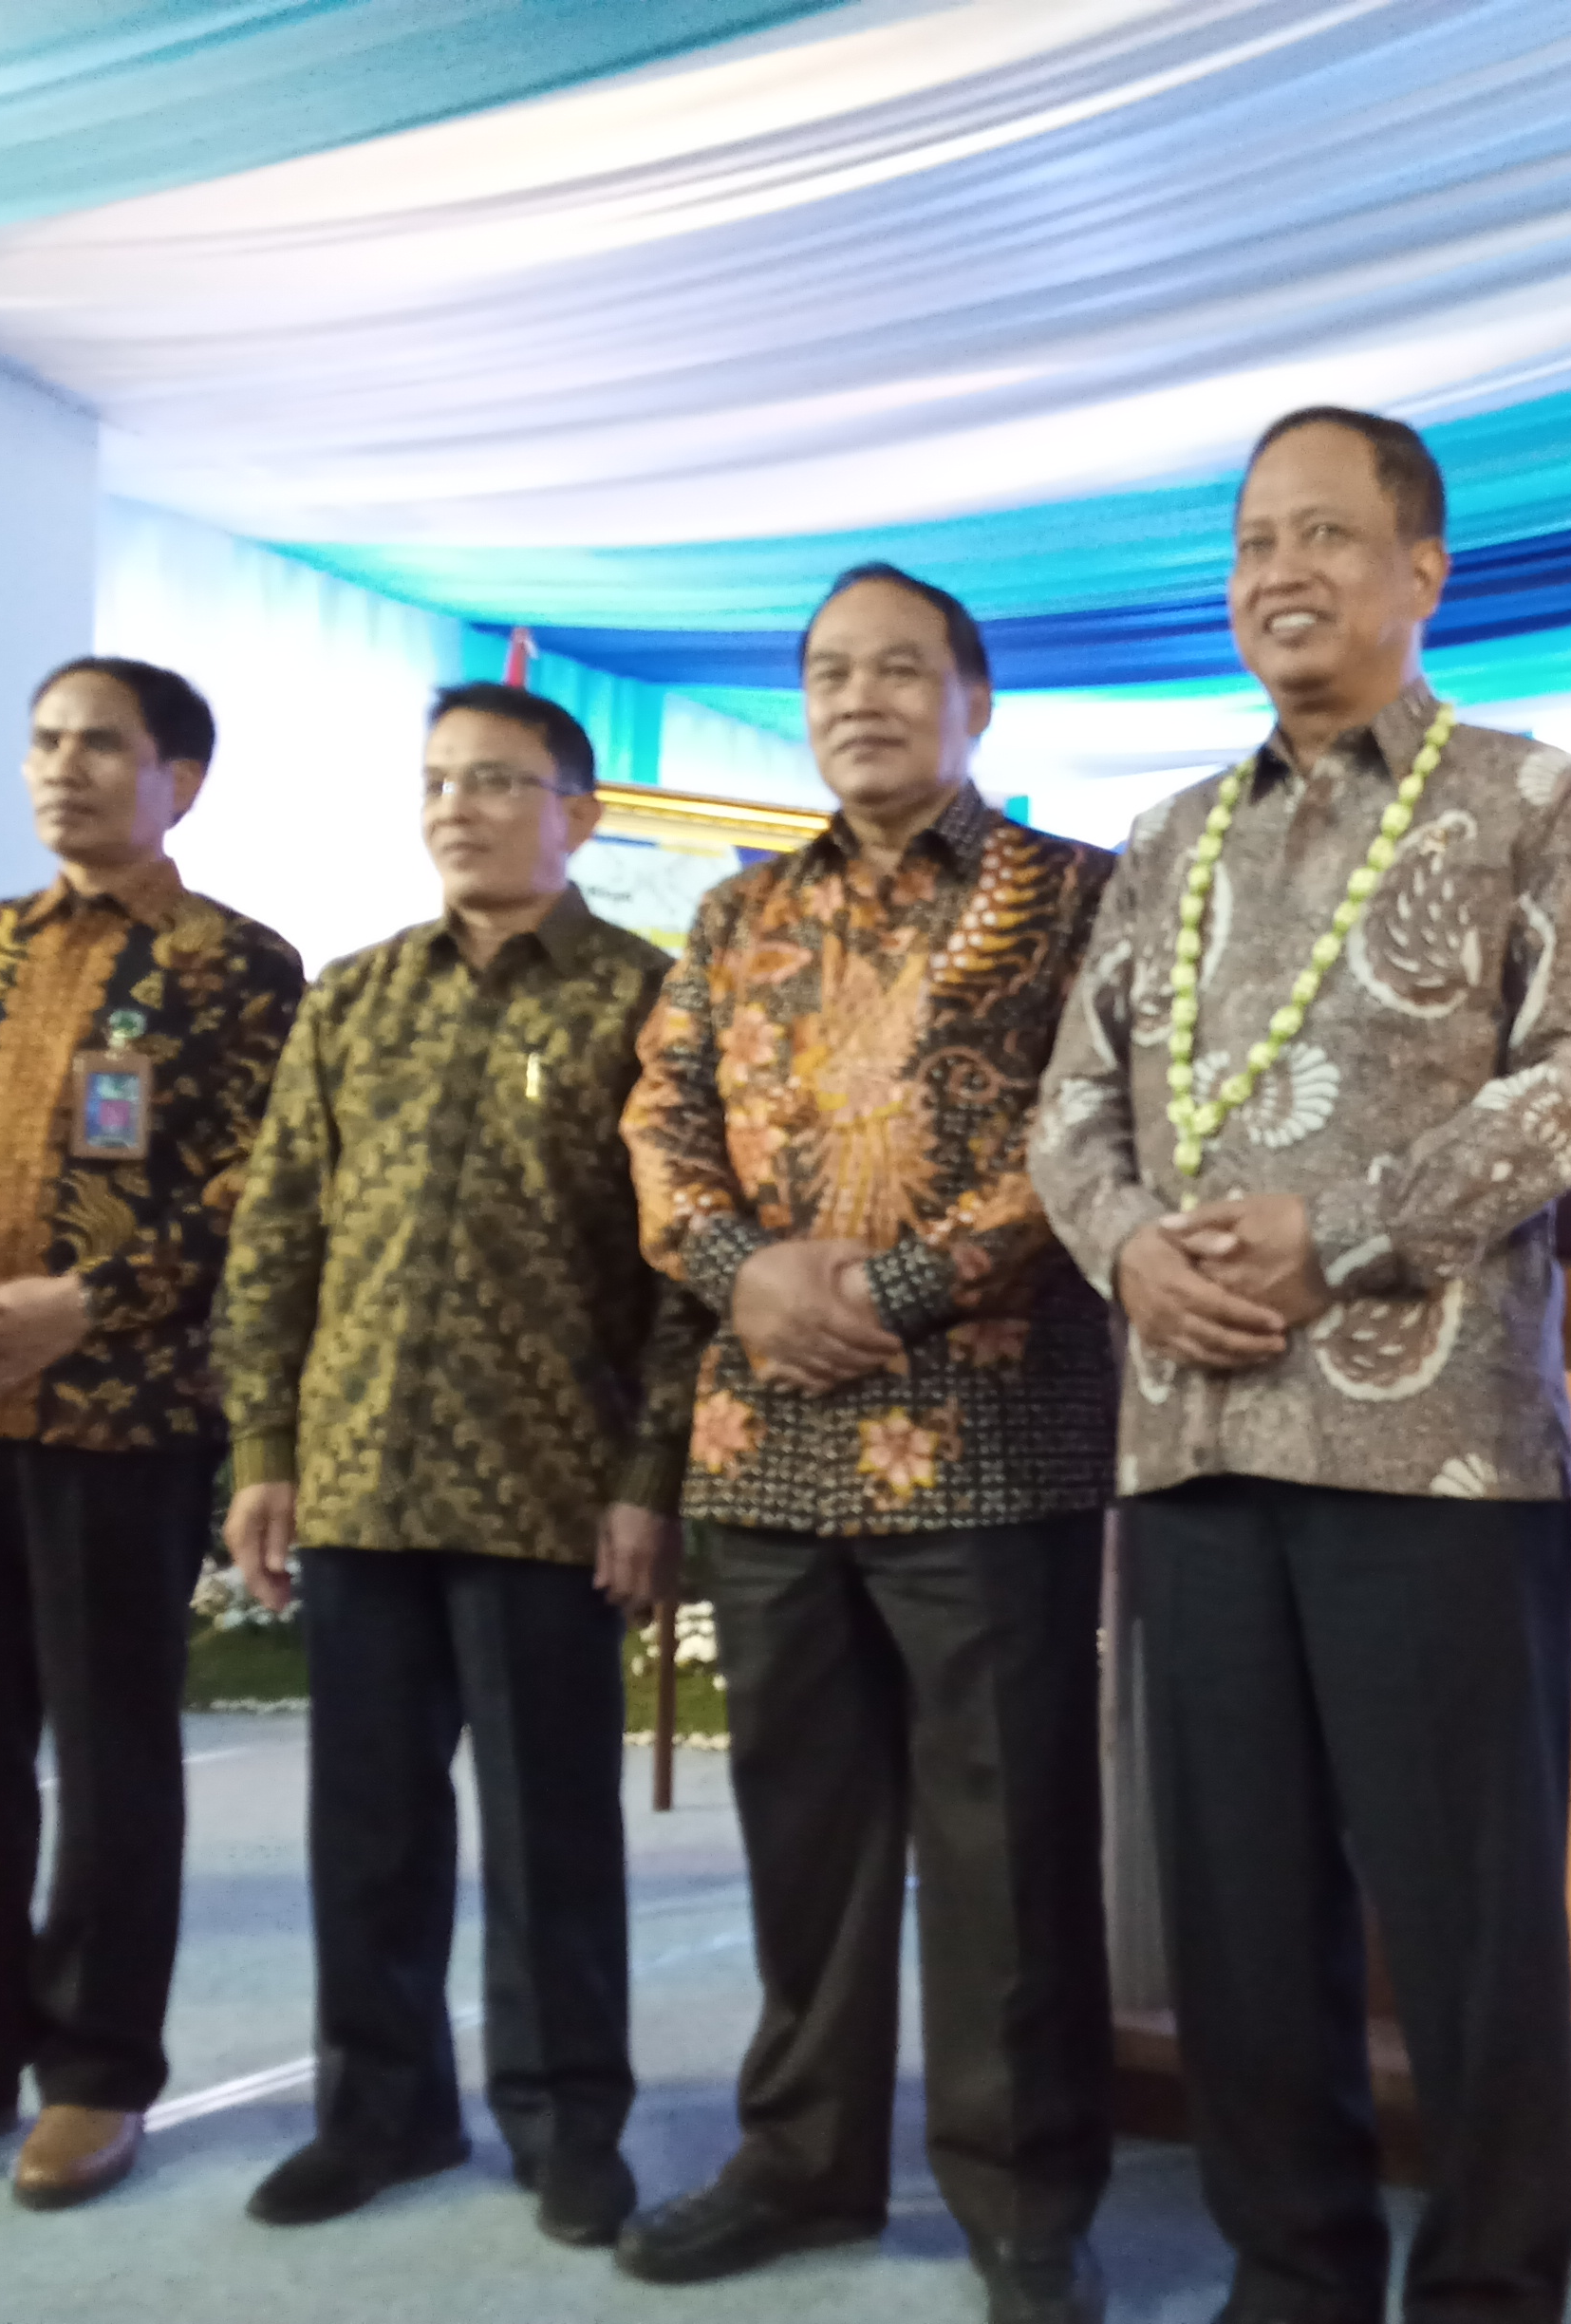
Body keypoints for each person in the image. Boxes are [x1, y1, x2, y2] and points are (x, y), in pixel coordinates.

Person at [1031, 410, 1571, 2324]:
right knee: (1238, 1911)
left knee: (1466, 1926)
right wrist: (1126, 1245)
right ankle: (1290, 2274)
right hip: (1194, 1439)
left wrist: (1347, 1232)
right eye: (1251, 545)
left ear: (1422, 567)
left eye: (1327, 536)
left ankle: (1488, 2290)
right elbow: (1068, 1105)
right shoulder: (1165, 844)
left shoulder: (1535, 800)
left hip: (1436, 1453)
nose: (1281, 575)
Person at [615, 566, 1118, 2324]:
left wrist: (892, 1284)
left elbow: (1089, 1139)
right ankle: (804, 2159)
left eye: (903, 668)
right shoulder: (734, 913)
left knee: (1004, 1845)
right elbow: (660, 1128)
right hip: (767, 1439)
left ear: (977, 700)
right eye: (831, 671)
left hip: (987, 1435)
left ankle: (1023, 2196)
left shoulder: (1076, 899)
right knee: (804, 1833)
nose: (863, 698)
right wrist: (751, 1275)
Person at [210, 683, 705, 2244]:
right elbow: (279, 1230)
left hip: (549, 1492)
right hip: (360, 1477)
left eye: (496, 780)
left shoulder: (652, 1003)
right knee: (367, 1825)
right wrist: (267, 1444)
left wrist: (649, 1476)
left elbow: (687, 1273)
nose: (457, 808)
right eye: (436, 781)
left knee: (553, 1828)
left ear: (581, 811)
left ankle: (571, 2123)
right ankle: (382, 2112)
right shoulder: (351, 999)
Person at [0, 657, 304, 2210]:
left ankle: (96, 2075)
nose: (65, 769)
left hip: (126, 1417)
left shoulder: (239, 966)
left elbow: (259, 1185)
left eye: (103, 745)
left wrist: (92, 1300)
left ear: (182, 780)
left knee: (110, 1756)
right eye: (44, 742)